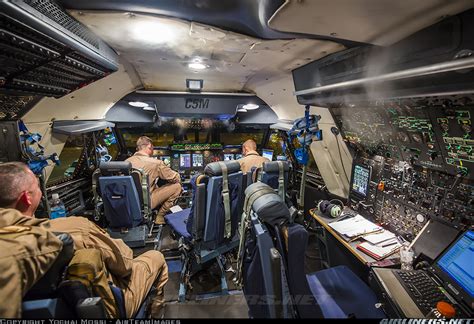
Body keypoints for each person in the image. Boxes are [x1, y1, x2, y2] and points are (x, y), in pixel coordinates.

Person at [0, 162, 168, 318]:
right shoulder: (76, 228)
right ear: (27, 198)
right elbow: (125, 264)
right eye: (37, 186)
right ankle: (155, 311)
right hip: (107, 305)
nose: (40, 191)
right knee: (156, 257)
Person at [126, 136, 182, 225]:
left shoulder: (126, 162)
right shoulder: (155, 163)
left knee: (154, 185)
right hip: (145, 202)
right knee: (177, 186)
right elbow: (175, 178)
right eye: (152, 148)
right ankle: (160, 216)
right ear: (149, 146)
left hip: (128, 203)